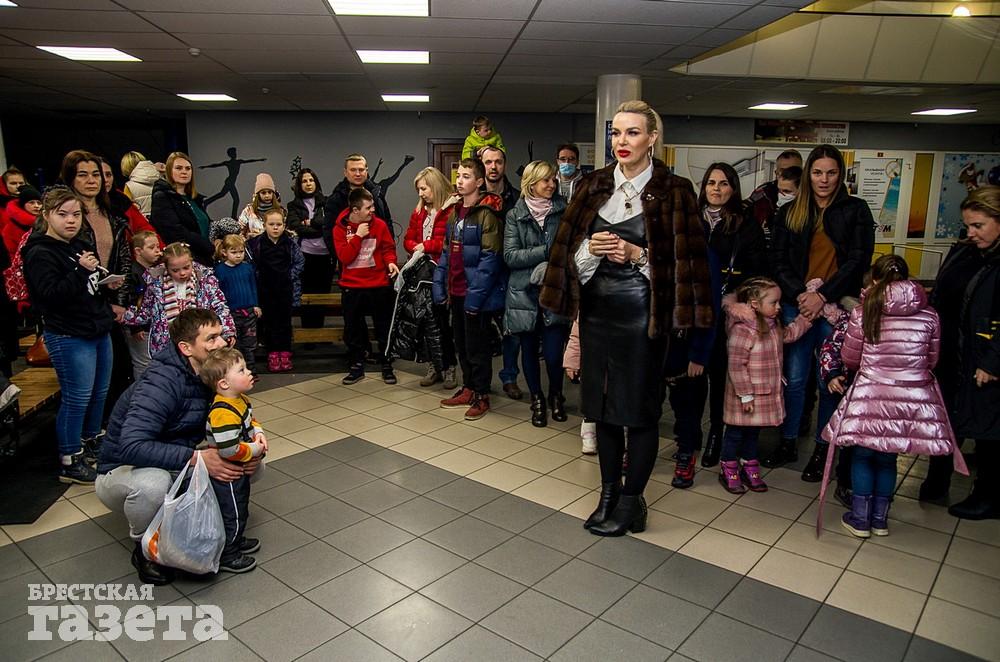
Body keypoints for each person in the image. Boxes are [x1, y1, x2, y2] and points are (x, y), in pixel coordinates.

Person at [540, 100, 714, 536]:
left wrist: (638, 255)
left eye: (633, 132)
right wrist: (588, 250)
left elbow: (689, 272)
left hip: (643, 317)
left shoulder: (676, 190)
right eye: (616, 133)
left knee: (637, 412)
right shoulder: (592, 185)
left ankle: (633, 501)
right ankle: (608, 495)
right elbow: (565, 258)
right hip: (597, 313)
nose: (622, 141)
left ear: (652, 138)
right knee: (600, 410)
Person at [96, 309, 262, 584]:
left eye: (220, 335)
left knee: (246, 466)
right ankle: (145, 547)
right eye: (211, 338)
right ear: (186, 348)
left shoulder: (210, 374)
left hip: (172, 457)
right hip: (121, 470)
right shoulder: (161, 383)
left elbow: (232, 418)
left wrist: (252, 446)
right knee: (153, 485)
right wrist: (198, 458)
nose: (222, 343)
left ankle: (222, 535)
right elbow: (131, 446)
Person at [822, 255, 966, 536]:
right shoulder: (929, 314)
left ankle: (860, 519)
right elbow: (931, 360)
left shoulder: (864, 312)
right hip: (909, 397)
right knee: (888, 458)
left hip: (870, 393)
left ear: (874, 279)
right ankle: (880, 519)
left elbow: (850, 358)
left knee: (863, 455)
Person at [767, 144, 875, 481]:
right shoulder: (790, 212)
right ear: (808, 175)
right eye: (817, 172)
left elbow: (859, 260)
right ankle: (787, 441)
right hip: (797, 305)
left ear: (840, 175)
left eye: (831, 173)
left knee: (830, 380)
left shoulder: (856, 210)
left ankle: (821, 448)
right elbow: (778, 260)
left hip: (836, 308)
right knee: (795, 379)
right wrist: (802, 295)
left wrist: (823, 295)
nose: (824, 179)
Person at [673, 163, 767, 483]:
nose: (716, 189)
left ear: (733, 188)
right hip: (695, 313)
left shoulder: (746, 225)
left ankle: (716, 431)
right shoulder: (691, 220)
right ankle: (691, 437)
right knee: (693, 376)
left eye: (723, 183)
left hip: (730, 314)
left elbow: (757, 270)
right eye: (711, 183)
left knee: (721, 376)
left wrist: (737, 297)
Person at [22, 187, 118, 484]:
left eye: (76, 214)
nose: (71, 220)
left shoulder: (79, 244)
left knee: (99, 392)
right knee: (77, 398)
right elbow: (50, 296)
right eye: (62, 214)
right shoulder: (39, 252)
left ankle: (91, 439)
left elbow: (87, 287)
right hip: (68, 334)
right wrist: (80, 271)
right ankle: (70, 457)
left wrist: (104, 282)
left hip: (97, 327)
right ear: (46, 215)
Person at [921, 186, 1000, 519]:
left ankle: (989, 495)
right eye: (968, 225)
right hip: (952, 352)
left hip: (983, 360)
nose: (971, 233)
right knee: (945, 417)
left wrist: (992, 361)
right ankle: (937, 478)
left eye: (978, 225)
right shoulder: (966, 251)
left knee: (987, 429)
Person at [720, 277, 812, 494]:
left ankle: (748, 462)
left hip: (762, 394)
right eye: (774, 302)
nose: (779, 307)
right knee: (735, 432)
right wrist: (745, 395)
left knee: (753, 433)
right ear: (754, 304)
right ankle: (728, 465)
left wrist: (805, 319)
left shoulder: (772, 325)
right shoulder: (742, 330)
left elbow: (788, 335)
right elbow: (736, 365)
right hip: (744, 396)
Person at [433, 158, 506, 421]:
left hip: (476, 295)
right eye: (459, 175)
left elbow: (490, 259)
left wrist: (475, 298)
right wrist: (440, 286)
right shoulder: (454, 214)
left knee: (478, 348)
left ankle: (482, 395)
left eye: (466, 176)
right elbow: (445, 253)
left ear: (479, 181)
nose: (460, 181)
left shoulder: (487, 214)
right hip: (456, 291)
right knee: (462, 345)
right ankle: (468, 387)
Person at [503, 160, 571, 427]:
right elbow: (510, 256)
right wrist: (545, 251)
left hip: (555, 291)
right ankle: (537, 399)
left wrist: (556, 255)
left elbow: (570, 249)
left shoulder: (563, 210)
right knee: (529, 351)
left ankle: (556, 395)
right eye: (546, 180)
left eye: (553, 180)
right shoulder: (515, 215)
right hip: (524, 294)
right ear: (531, 184)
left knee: (554, 355)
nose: (552, 184)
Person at [200, 347, 268, 564]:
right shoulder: (223, 412)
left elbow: (250, 420)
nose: (248, 372)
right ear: (224, 384)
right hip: (227, 474)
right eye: (241, 370)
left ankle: (235, 541)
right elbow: (229, 449)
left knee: (240, 507)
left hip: (238, 468)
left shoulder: (241, 400)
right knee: (232, 512)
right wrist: (255, 449)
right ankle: (229, 553)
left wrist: (258, 432)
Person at [121, 242, 235, 356]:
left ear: (192, 262)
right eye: (175, 270)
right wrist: (125, 315)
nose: (182, 273)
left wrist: (228, 331)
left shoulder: (206, 281)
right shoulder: (155, 284)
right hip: (166, 346)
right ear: (166, 268)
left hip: (200, 343)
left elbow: (220, 306)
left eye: (186, 267)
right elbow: (146, 312)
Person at [333, 188, 400, 385]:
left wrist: (390, 262)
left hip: (378, 284)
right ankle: (356, 365)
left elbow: (388, 248)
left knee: (383, 327)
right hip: (352, 286)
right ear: (355, 210)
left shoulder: (379, 225)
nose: (373, 210)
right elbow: (345, 257)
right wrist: (358, 236)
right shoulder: (339, 229)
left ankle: (387, 365)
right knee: (353, 329)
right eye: (368, 208)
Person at [404, 166, 457, 389]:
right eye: (418, 189)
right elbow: (408, 239)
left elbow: (446, 242)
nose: (421, 193)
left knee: (442, 324)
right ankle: (433, 366)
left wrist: (424, 246)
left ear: (435, 186)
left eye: (424, 188)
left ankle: (449, 367)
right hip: (421, 275)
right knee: (425, 324)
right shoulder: (418, 212)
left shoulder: (451, 210)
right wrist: (417, 247)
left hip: (441, 274)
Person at [480, 145, 522, 399]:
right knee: (481, 329)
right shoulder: (473, 197)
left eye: (498, 162)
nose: (493, 167)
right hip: (482, 272)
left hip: (509, 272)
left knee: (511, 329)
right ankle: (481, 381)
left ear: (504, 165)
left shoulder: (517, 198)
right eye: (488, 162)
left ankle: (509, 377)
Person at [247, 208, 303, 373]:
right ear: (264, 225)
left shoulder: (290, 243)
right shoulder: (256, 244)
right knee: (269, 324)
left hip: (285, 289)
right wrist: (260, 277)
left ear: (284, 225)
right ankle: (272, 354)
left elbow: (300, 262)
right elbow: (252, 265)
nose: (275, 227)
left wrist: (288, 275)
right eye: (271, 224)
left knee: (284, 323)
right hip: (265, 290)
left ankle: (285, 353)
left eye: (279, 224)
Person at [286, 168, 332, 329]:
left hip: (326, 256)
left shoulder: (326, 202)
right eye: (304, 181)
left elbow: (328, 223)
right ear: (299, 185)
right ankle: (308, 333)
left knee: (323, 294)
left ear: (316, 182)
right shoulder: (293, 205)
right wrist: (318, 228)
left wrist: (310, 222)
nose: (308, 183)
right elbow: (295, 226)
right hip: (305, 255)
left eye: (311, 180)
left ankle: (320, 332)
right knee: (306, 295)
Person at [150, 152, 214, 265]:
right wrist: (208, 246)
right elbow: (174, 232)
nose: (184, 172)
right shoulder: (162, 197)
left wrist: (218, 238)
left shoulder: (194, 198)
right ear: (169, 171)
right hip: (184, 261)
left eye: (188, 168)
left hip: (205, 257)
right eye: (179, 168)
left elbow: (205, 223)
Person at [214, 234, 261, 375]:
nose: (238, 255)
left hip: (249, 311)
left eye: (241, 251)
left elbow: (253, 287)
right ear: (224, 252)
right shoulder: (219, 270)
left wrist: (255, 304)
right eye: (234, 252)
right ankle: (237, 371)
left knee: (250, 342)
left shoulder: (247, 268)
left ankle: (251, 370)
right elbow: (219, 292)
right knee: (235, 343)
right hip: (231, 313)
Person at [323, 153, 395, 244]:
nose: (357, 174)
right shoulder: (335, 200)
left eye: (361, 170)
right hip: (350, 251)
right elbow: (329, 233)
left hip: (378, 250)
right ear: (345, 172)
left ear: (366, 171)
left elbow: (387, 221)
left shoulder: (376, 194)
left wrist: (389, 246)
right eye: (353, 170)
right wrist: (342, 253)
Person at [122, 230, 162, 380]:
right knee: (143, 363)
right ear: (138, 251)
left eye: (158, 246)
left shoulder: (156, 270)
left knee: (154, 361)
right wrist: (135, 327)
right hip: (139, 327)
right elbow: (130, 300)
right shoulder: (132, 272)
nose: (157, 250)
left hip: (153, 324)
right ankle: (141, 391)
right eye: (151, 247)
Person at [101, 157, 160, 245]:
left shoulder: (121, 197)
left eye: (108, 175)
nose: (105, 180)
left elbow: (141, 226)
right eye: (100, 175)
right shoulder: (160, 179)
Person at [748, 149, 802, 229]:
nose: (788, 174)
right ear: (776, 173)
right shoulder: (762, 193)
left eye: (793, 171)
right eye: (783, 171)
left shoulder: (813, 195)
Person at [2, 184, 41, 259]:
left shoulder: (47, 221)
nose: (36, 206)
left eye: (39, 203)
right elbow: (13, 252)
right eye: (31, 202)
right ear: (23, 205)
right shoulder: (10, 228)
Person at [238, 173, 279, 237]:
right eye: (263, 193)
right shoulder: (248, 210)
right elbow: (240, 231)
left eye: (269, 192)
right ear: (258, 195)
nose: (267, 195)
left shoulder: (280, 211)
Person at [121, 150, 162, 216]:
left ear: (126, 168)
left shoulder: (129, 187)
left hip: (143, 221)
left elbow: (128, 212)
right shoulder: (161, 178)